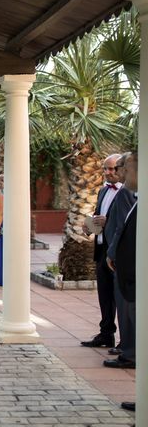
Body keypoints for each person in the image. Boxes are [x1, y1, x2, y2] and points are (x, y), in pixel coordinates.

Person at [107, 152, 138, 412]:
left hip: (132, 273)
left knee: (131, 316)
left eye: (124, 167)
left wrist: (114, 252)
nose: (120, 172)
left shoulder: (132, 196)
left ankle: (130, 352)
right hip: (123, 267)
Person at [81, 154, 122, 348]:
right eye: (105, 169)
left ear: (121, 169)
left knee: (120, 297)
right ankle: (106, 334)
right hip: (101, 247)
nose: (108, 173)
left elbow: (128, 223)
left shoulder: (129, 193)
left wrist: (108, 222)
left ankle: (127, 342)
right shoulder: (103, 191)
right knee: (104, 295)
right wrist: (90, 224)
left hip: (119, 251)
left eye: (112, 169)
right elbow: (99, 215)